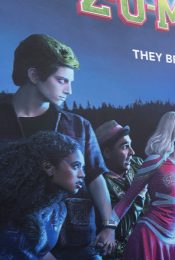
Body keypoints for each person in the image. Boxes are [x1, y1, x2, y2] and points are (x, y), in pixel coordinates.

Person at [0, 34, 115, 258]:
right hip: (13, 243)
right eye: (61, 80)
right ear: (34, 75)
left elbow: (95, 177)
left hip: (74, 238)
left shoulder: (78, 126)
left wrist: (109, 226)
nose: (69, 89)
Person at [111, 111, 175, 260]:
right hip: (148, 235)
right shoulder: (155, 161)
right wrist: (108, 228)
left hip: (171, 239)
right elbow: (127, 200)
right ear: (173, 130)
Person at [0, 131, 85, 259]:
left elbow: (41, 254)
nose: (82, 174)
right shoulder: (7, 202)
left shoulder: (58, 210)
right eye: (76, 166)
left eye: (82, 167)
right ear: (48, 167)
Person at [95, 120, 148, 259]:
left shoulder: (137, 164)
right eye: (125, 147)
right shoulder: (100, 185)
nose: (132, 152)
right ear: (106, 152)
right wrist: (140, 193)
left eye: (130, 145)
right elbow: (120, 230)